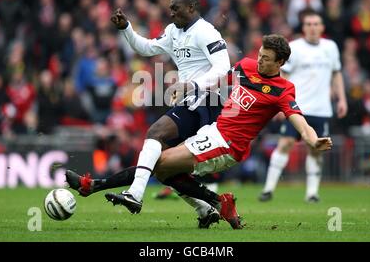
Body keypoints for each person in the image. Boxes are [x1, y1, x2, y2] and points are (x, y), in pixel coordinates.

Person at [104, 34, 333, 229]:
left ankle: (112, 189)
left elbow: (299, 121)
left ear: (280, 62)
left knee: (158, 163)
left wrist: (312, 140)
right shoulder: (246, 65)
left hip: (228, 146)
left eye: (266, 59)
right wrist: (189, 87)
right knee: (164, 173)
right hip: (214, 132)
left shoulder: (283, 91)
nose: (260, 61)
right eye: (260, 55)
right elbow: (218, 83)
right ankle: (217, 205)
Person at [66, 0, 231, 228]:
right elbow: (147, 48)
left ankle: (133, 194)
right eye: (170, 8)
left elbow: (223, 67)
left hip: (207, 101)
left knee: (155, 133)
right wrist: (126, 29)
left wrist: (192, 84)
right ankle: (207, 208)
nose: (171, 12)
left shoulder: (206, 32)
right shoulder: (174, 32)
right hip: (189, 100)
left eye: (176, 8)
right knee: (164, 166)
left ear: (192, 7)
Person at [259, 10, 347, 203]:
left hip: (321, 108)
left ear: (322, 27)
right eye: (309, 24)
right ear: (303, 27)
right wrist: (279, 103)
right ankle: (268, 189)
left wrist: (342, 99)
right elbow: (284, 76)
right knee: (285, 143)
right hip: (296, 108)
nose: (312, 27)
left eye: (316, 24)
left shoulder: (330, 47)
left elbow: (336, 73)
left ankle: (312, 193)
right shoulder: (294, 48)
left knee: (316, 148)